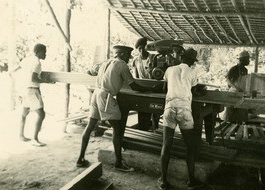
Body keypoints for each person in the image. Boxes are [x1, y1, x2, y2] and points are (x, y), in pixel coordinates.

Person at [76, 45, 157, 170]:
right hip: (106, 97)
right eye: (128, 57)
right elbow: (134, 86)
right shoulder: (122, 65)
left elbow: (90, 71)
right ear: (123, 54)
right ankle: (119, 163)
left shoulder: (105, 63)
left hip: (96, 94)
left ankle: (80, 159)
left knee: (90, 126)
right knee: (118, 129)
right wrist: (151, 89)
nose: (129, 60)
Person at [158, 48, 204, 190]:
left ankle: (163, 181)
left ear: (182, 57)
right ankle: (191, 180)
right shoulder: (192, 72)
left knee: (166, 145)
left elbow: (164, 88)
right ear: (191, 61)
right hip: (184, 110)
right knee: (190, 146)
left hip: (170, 108)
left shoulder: (170, 69)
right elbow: (194, 91)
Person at [10, 43, 53, 147]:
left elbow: (13, 70)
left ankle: (21, 135)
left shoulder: (27, 59)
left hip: (24, 89)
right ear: (38, 52)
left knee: (24, 113)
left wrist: (13, 77)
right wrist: (47, 81)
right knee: (41, 114)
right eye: (44, 52)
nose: (46, 54)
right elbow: (33, 78)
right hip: (32, 90)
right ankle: (35, 139)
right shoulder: (37, 63)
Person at [131, 37, 160, 131]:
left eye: (143, 47)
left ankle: (155, 127)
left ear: (146, 47)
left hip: (153, 86)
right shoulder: (136, 60)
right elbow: (136, 76)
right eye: (140, 48)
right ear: (138, 49)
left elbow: (158, 74)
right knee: (143, 108)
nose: (142, 50)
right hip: (142, 87)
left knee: (155, 109)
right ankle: (143, 128)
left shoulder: (153, 58)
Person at [224, 50, 250, 122]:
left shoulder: (245, 70)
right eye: (247, 59)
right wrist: (237, 88)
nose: (249, 61)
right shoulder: (234, 69)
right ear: (242, 60)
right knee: (231, 116)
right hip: (233, 94)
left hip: (241, 94)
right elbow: (228, 80)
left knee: (241, 116)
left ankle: (239, 129)